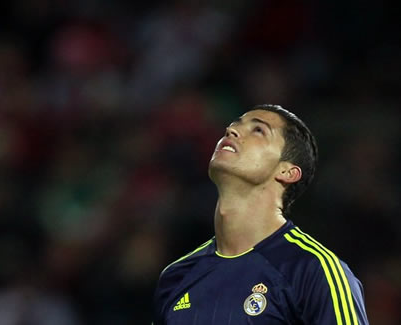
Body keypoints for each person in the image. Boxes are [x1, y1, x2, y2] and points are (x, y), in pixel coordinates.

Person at [152, 105, 369, 324]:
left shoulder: (314, 270)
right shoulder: (176, 276)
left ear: (287, 171)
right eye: (234, 125)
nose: (231, 131)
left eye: (258, 130)